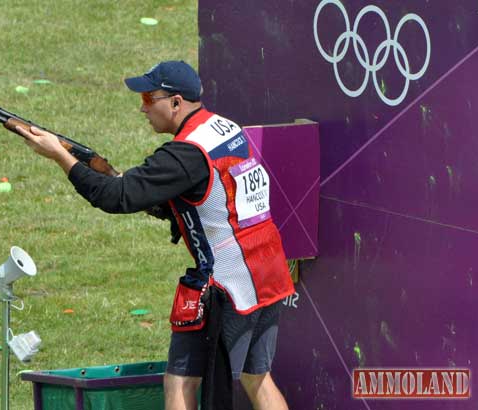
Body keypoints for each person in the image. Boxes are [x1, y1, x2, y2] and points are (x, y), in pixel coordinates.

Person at [16, 60, 295, 410]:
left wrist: (60, 156)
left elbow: (116, 198)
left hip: (229, 284)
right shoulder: (224, 128)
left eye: (150, 98)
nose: (143, 107)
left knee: (182, 382)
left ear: (176, 103)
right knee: (257, 378)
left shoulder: (185, 153)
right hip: (267, 271)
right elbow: (206, 198)